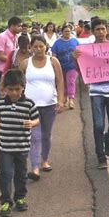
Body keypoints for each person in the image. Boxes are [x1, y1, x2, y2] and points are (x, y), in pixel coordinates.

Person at [73, 18, 109, 169]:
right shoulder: (87, 50)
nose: (101, 32)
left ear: (107, 30)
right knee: (98, 125)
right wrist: (76, 59)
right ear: (93, 32)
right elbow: (81, 71)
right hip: (96, 92)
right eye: (97, 29)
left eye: (103, 29)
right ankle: (100, 156)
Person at [0, 69, 39, 217]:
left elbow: (37, 119)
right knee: (5, 174)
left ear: (23, 87)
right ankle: (5, 202)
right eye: (10, 89)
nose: (14, 93)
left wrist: (32, 123)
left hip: (22, 147)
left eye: (17, 89)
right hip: (5, 146)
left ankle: (20, 197)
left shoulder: (28, 104)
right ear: (4, 88)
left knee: (21, 174)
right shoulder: (0, 104)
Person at [20, 35, 65, 181]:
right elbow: (17, 82)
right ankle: (34, 167)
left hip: (49, 105)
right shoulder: (26, 64)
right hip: (30, 106)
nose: (38, 49)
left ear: (46, 46)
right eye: (35, 47)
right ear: (30, 48)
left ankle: (44, 159)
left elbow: (60, 82)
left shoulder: (53, 62)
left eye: (41, 46)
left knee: (46, 135)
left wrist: (61, 100)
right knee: (34, 136)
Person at [52, 25, 80, 109]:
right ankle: (64, 98)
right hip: (61, 67)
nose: (67, 33)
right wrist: (54, 65)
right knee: (63, 83)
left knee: (71, 82)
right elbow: (54, 54)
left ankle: (71, 100)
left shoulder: (75, 41)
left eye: (69, 31)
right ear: (62, 32)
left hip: (72, 66)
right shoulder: (57, 43)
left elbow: (80, 51)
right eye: (65, 31)